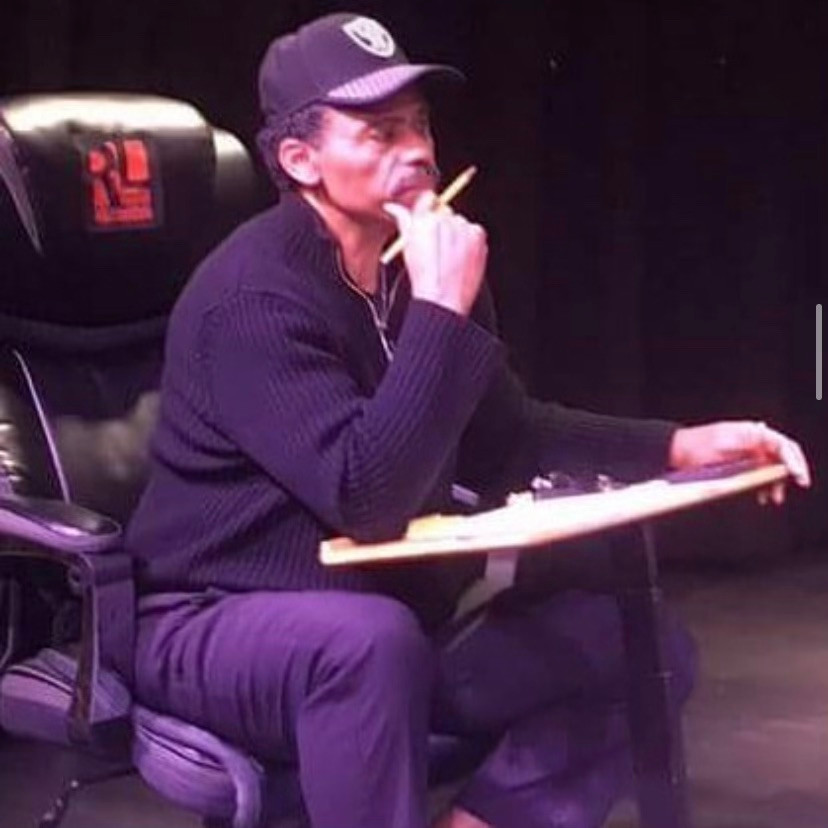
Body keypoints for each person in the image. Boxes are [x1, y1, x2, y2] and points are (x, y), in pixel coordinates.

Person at [126, 12, 811, 828]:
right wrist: (441, 312)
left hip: (390, 616)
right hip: (212, 620)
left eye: (419, 125)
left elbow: (508, 439)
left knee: (637, 644)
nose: (417, 150)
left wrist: (678, 446)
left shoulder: (417, 270)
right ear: (301, 161)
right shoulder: (253, 300)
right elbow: (367, 499)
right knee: (368, 644)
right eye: (380, 132)